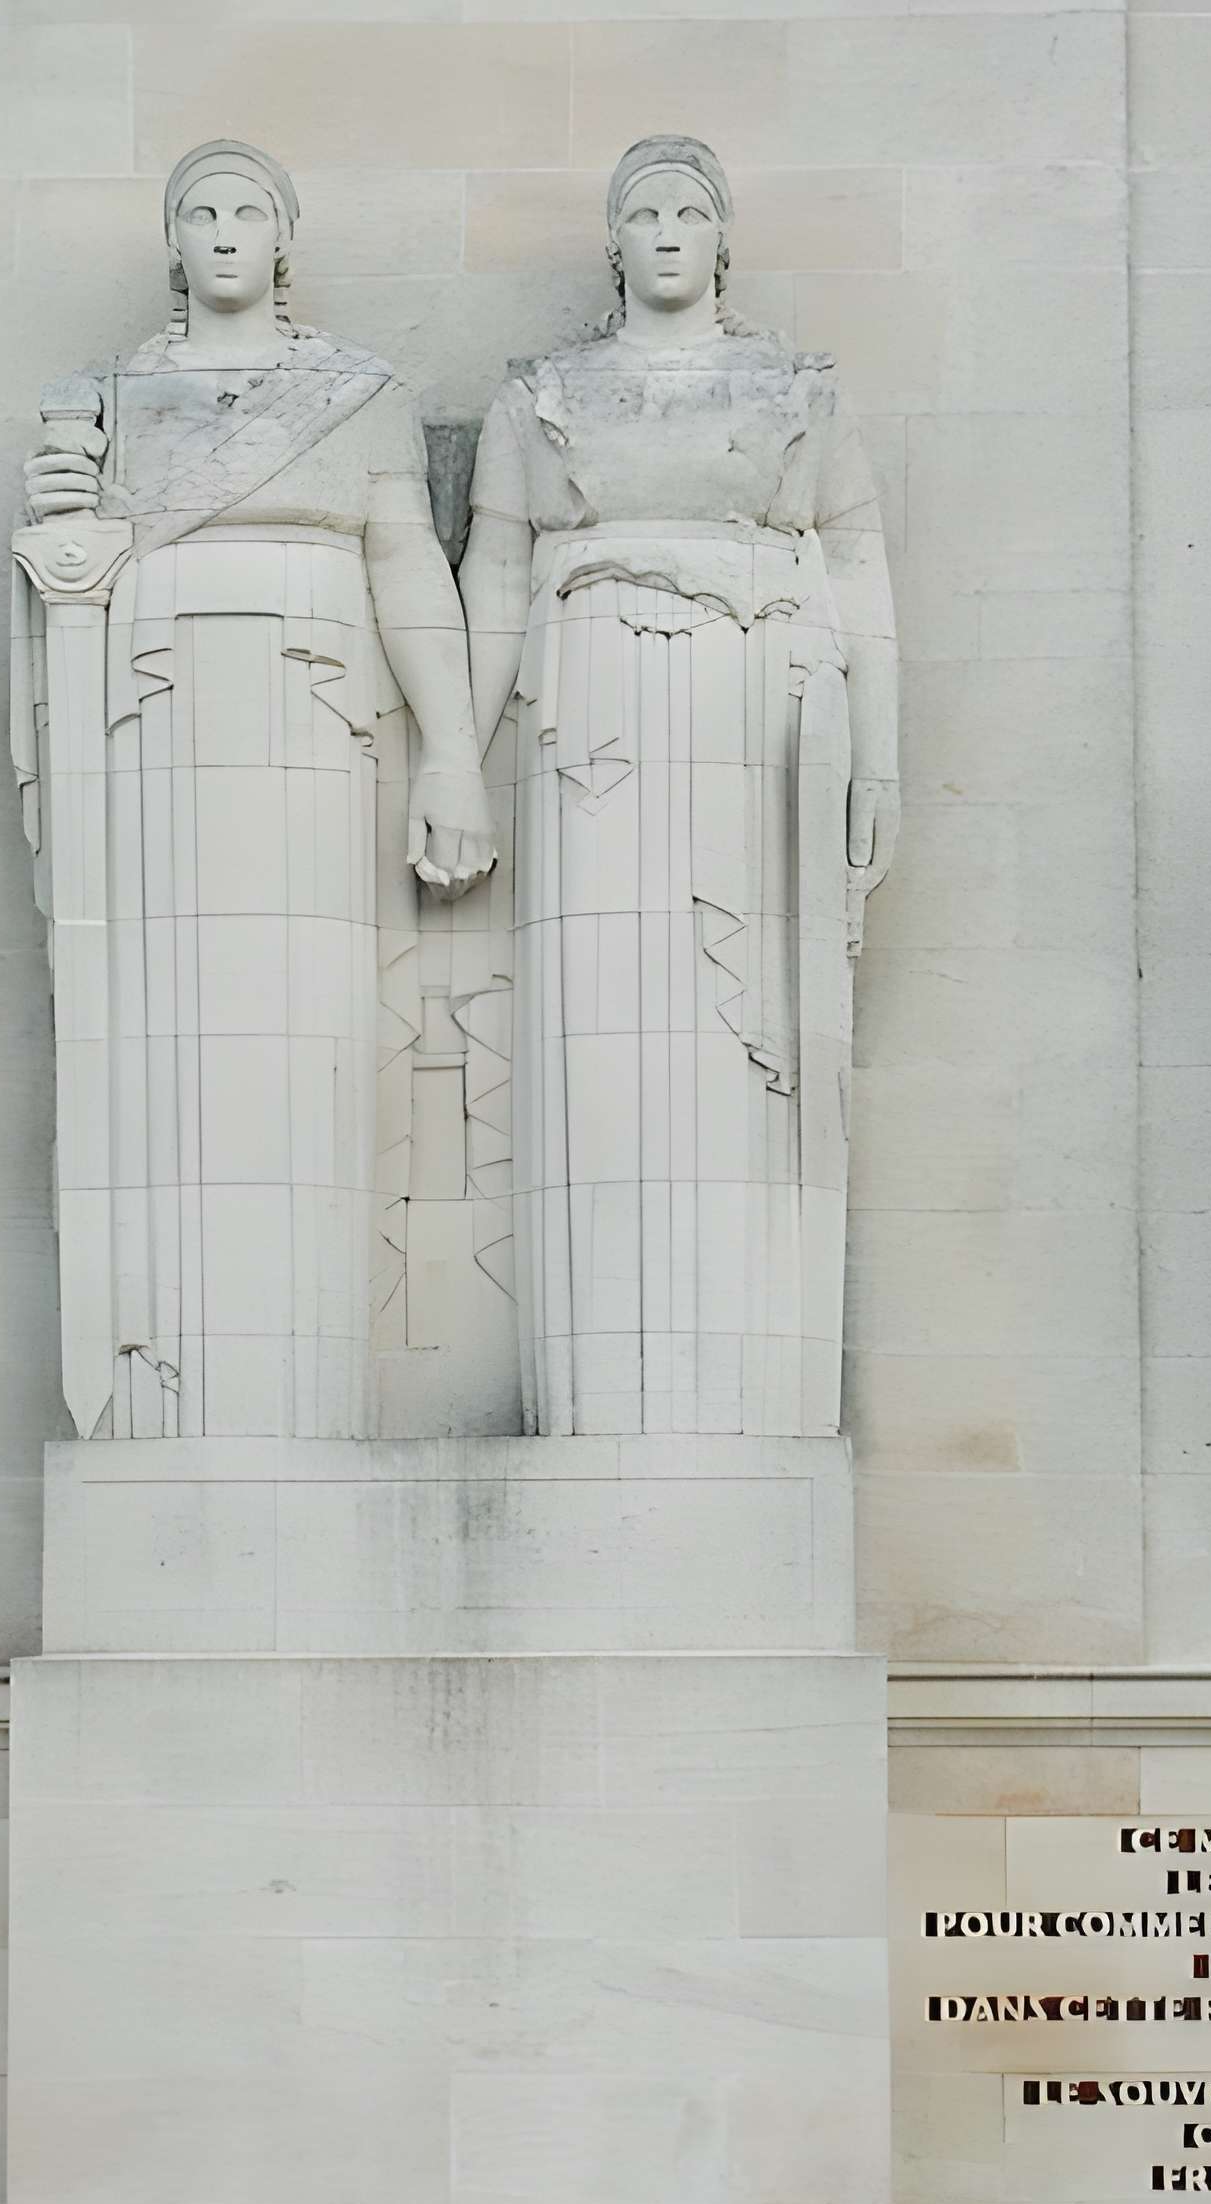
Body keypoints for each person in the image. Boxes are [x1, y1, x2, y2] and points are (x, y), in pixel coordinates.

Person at [12, 139, 493, 1438]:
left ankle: (299, 1385)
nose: (225, 230)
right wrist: (62, 519)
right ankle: (171, 1387)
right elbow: (71, 578)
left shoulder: (355, 396)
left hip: (315, 719)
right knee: (170, 1038)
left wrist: (451, 753)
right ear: (175, 243)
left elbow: (409, 570)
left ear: (286, 240)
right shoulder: (105, 400)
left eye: (248, 210)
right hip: (156, 733)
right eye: (201, 211)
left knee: (313, 1030)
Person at [457, 134, 901, 1437]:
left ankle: (736, 1384)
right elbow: (492, 578)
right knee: (601, 1035)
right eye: (639, 212)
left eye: (686, 212)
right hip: (589, 716)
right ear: (611, 244)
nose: (662, 231)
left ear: (720, 242)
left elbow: (859, 566)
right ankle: (605, 1389)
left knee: (738, 1047)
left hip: (754, 713)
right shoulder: (543, 396)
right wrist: (447, 762)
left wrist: (881, 753)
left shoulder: (796, 394)